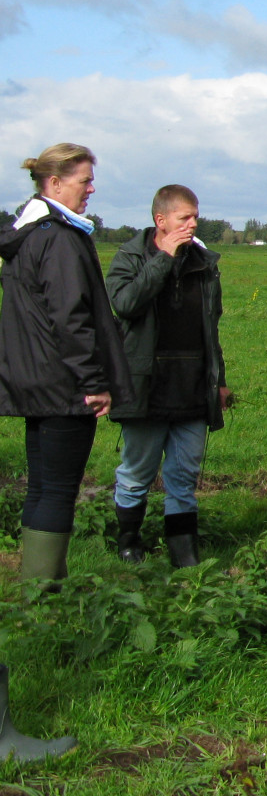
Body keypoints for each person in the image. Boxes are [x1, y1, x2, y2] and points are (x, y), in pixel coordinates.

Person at [0, 144, 132, 584]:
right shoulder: (58, 237)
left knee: (40, 485)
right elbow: (71, 317)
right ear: (54, 183)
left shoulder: (28, 232)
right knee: (57, 490)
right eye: (84, 180)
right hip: (64, 383)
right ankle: (44, 595)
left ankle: (37, 589)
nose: (91, 188)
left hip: (32, 378)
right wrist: (94, 382)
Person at [105, 184, 232, 568]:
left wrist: (219, 380)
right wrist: (162, 258)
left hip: (193, 386)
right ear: (161, 221)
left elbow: (212, 329)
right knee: (137, 472)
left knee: (183, 475)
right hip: (145, 384)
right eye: (184, 218)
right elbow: (126, 304)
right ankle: (128, 541)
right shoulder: (129, 257)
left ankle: (184, 554)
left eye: (195, 216)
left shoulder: (203, 264)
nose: (193, 224)